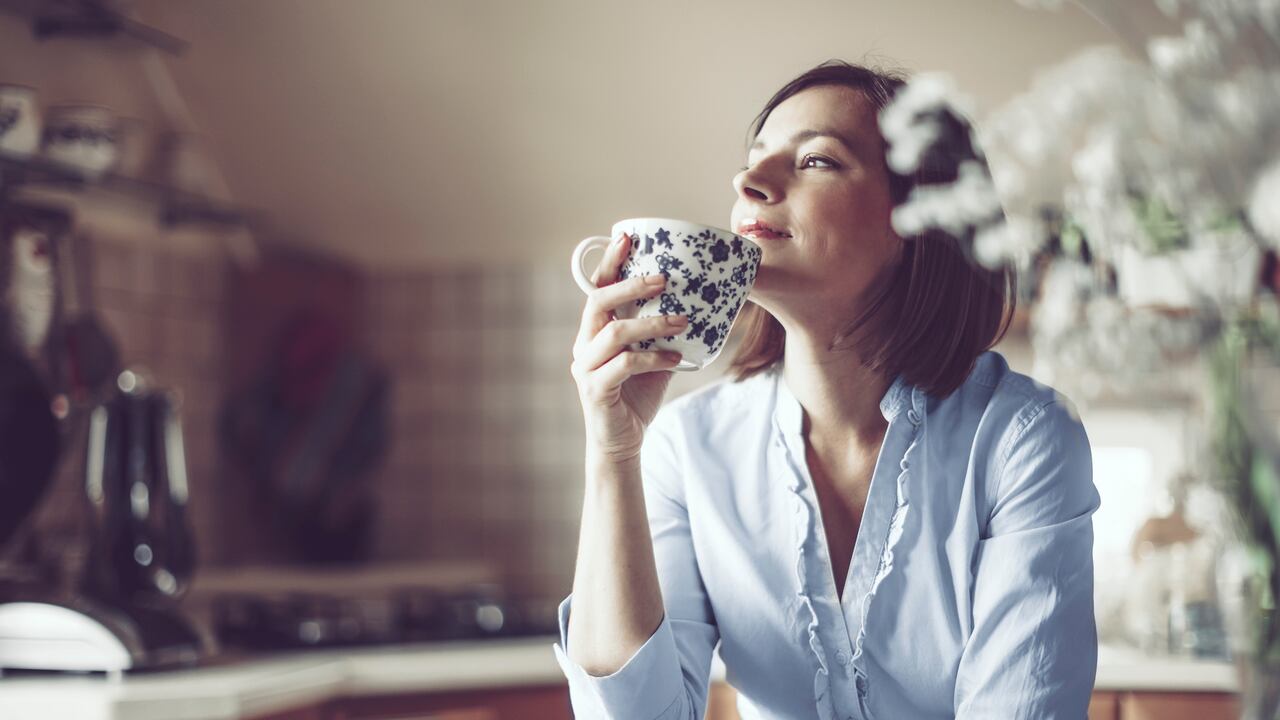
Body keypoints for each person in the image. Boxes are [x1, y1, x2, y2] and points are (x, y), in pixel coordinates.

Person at [557, 59, 1099, 720]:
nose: (748, 181)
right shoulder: (685, 447)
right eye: (755, 160)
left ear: (919, 216)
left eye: (816, 161)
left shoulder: (1022, 440)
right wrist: (612, 454)